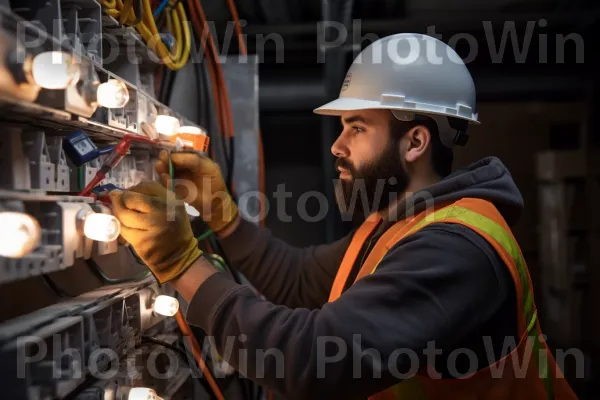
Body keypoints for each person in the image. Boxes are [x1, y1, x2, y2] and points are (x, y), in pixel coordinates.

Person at [110, 34, 577, 399]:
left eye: (357, 128)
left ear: (415, 142)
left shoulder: (455, 248)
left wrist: (181, 265)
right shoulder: (396, 227)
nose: (338, 145)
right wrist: (225, 217)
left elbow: (312, 361)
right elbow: (298, 280)